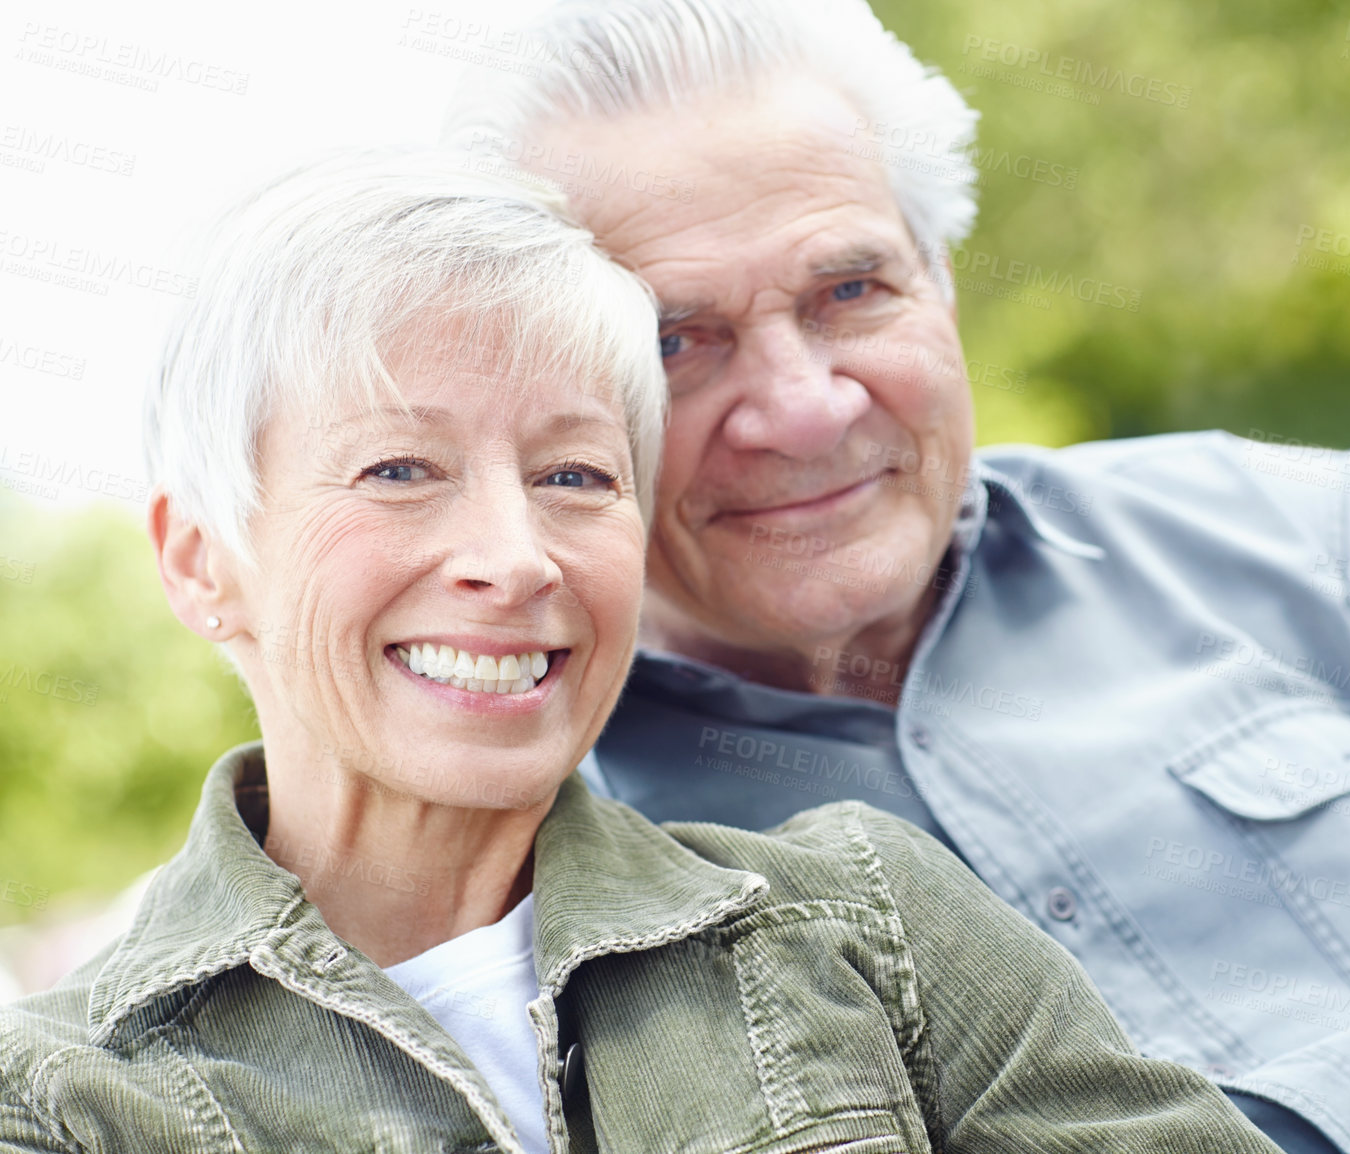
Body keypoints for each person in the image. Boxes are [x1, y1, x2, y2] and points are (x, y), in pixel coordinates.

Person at [443, 3, 1350, 1152]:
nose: (803, 406)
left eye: (851, 289)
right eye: (675, 341)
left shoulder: (1272, 533)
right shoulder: (532, 865)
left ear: (940, 281)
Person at [0, 152, 1282, 1154]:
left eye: (575, 474)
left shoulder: (864, 923)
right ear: (200, 560)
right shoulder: (67, 1102)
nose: (515, 556)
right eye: (399, 469)